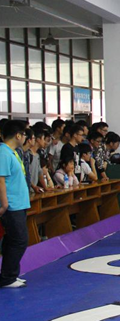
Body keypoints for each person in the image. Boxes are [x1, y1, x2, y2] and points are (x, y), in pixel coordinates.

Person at [0, 120, 31, 288]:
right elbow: (1, 179)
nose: (26, 137)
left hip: (19, 203)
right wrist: (4, 204)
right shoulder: (3, 153)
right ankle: (8, 277)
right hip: (11, 205)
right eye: (24, 134)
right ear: (18, 135)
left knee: (12, 240)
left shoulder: (12, 152)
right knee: (19, 240)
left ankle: (10, 274)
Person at [28, 129, 47, 194]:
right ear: (38, 139)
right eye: (43, 139)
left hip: (34, 190)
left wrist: (45, 187)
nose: (44, 142)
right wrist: (33, 186)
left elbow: (40, 172)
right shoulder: (27, 155)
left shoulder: (37, 155)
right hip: (27, 189)